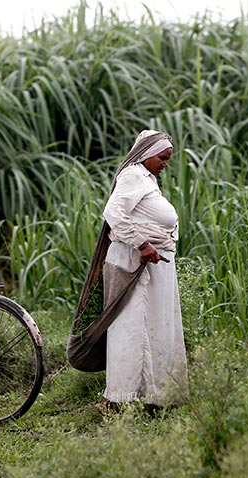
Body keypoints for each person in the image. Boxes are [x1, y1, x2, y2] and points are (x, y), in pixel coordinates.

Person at [94, 129, 188, 413]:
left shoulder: (145, 178)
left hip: (152, 269)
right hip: (135, 267)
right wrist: (143, 244)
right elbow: (113, 213)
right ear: (147, 154)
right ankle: (119, 399)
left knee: (155, 328)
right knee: (131, 329)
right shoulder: (133, 175)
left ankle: (155, 396)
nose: (165, 164)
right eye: (162, 158)